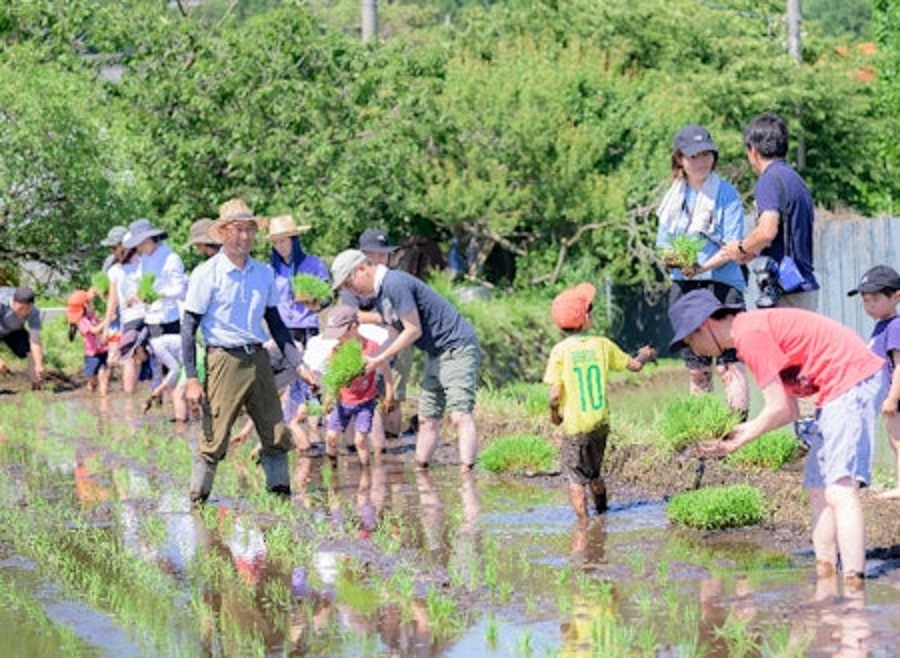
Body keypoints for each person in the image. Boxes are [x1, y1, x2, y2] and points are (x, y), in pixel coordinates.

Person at [670, 289, 884, 585]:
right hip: (835, 390)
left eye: (690, 340)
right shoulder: (749, 333)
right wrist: (741, 432)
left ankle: (853, 586)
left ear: (705, 324)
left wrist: (738, 442)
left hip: (851, 381)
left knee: (839, 488)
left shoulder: (750, 334)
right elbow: (789, 410)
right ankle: (825, 575)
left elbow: (780, 408)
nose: (693, 348)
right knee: (817, 488)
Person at [181, 198, 303, 503]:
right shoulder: (207, 274)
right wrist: (192, 379)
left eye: (250, 230)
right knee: (215, 437)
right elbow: (188, 326)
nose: (245, 237)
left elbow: (276, 323)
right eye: (238, 230)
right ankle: (198, 500)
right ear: (222, 233)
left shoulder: (263, 274)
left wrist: (298, 364)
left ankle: (280, 497)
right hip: (223, 359)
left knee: (275, 432)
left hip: (258, 357)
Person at [331, 248, 480, 472]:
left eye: (348, 283)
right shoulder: (380, 294)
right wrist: (369, 358)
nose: (349, 290)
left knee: (459, 414)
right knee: (426, 418)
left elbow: (412, 330)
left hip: (456, 345)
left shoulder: (394, 283)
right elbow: (393, 331)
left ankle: (467, 477)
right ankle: (422, 472)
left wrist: (379, 357)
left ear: (362, 268)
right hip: (434, 352)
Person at [656, 124, 749, 418]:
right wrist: (673, 260)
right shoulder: (673, 198)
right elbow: (663, 245)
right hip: (685, 286)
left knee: (728, 365)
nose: (702, 161)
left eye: (707, 153)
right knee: (697, 369)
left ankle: (738, 433)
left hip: (721, 284)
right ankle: (704, 434)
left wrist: (701, 267)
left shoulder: (727, 194)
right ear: (680, 159)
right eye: (694, 156)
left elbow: (733, 246)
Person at [543, 283, 656, 516]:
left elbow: (554, 395)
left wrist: (555, 415)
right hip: (601, 424)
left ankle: (583, 526)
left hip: (576, 427)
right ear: (585, 319)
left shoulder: (560, 351)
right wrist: (644, 355)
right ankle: (603, 514)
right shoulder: (602, 345)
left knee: (575, 479)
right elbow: (634, 366)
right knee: (594, 473)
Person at [721, 112, 819, 310]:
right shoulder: (795, 180)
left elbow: (767, 231)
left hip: (786, 292)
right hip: (803, 286)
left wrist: (740, 248)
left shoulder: (769, 180)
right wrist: (753, 250)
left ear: (753, 151)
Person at [340, 227, 408, 437]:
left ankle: (393, 444)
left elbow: (404, 317)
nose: (380, 259)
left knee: (394, 394)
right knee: (366, 393)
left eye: (383, 254)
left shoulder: (394, 280)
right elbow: (350, 314)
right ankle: (368, 445)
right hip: (366, 345)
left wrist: (379, 319)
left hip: (400, 341)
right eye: (374, 254)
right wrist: (382, 318)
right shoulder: (352, 282)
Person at [847, 265, 900, 500]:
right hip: (891, 396)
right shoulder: (883, 325)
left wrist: (892, 398)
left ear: (896, 296)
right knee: (894, 440)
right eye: (865, 301)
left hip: (895, 395)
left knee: (898, 441)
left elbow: (899, 365)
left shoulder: (895, 326)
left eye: (875, 300)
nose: (869, 306)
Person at [319, 304, 394, 467]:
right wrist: (328, 398)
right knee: (331, 436)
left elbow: (386, 371)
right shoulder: (337, 350)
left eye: (340, 333)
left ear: (353, 327)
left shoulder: (372, 347)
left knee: (360, 440)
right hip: (342, 402)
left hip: (365, 402)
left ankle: (365, 472)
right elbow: (333, 379)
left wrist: (389, 395)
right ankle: (332, 468)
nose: (337, 338)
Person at [123, 218, 187, 391]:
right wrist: (134, 297)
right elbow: (139, 283)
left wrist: (159, 295)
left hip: (168, 319)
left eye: (139, 244)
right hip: (151, 318)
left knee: (174, 363)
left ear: (148, 240)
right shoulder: (144, 259)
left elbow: (181, 291)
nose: (138, 249)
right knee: (155, 363)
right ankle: (159, 398)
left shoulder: (171, 258)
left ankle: (178, 401)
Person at [266, 214, 328, 349]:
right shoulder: (269, 270)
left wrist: (315, 305)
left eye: (283, 241)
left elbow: (327, 296)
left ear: (294, 240)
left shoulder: (315, 264)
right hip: (280, 330)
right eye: (275, 242)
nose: (279, 246)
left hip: (307, 328)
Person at [67, 289, 110, 396]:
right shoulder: (82, 321)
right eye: (91, 302)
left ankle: (103, 397)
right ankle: (91, 394)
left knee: (103, 376)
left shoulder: (92, 316)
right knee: (92, 380)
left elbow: (100, 324)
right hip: (92, 355)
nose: (93, 305)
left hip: (103, 351)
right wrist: (107, 320)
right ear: (85, 306)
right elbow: (94, 331)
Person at [0, 286, 45, 387]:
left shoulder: (34, 311)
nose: (23, 313)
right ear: (14, 302)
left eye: (27, 309)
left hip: (13, 330)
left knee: (31, 352)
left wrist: (39, 364)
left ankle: (36, 383)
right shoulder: (1, 302)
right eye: (21, 309)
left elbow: (35, 339)